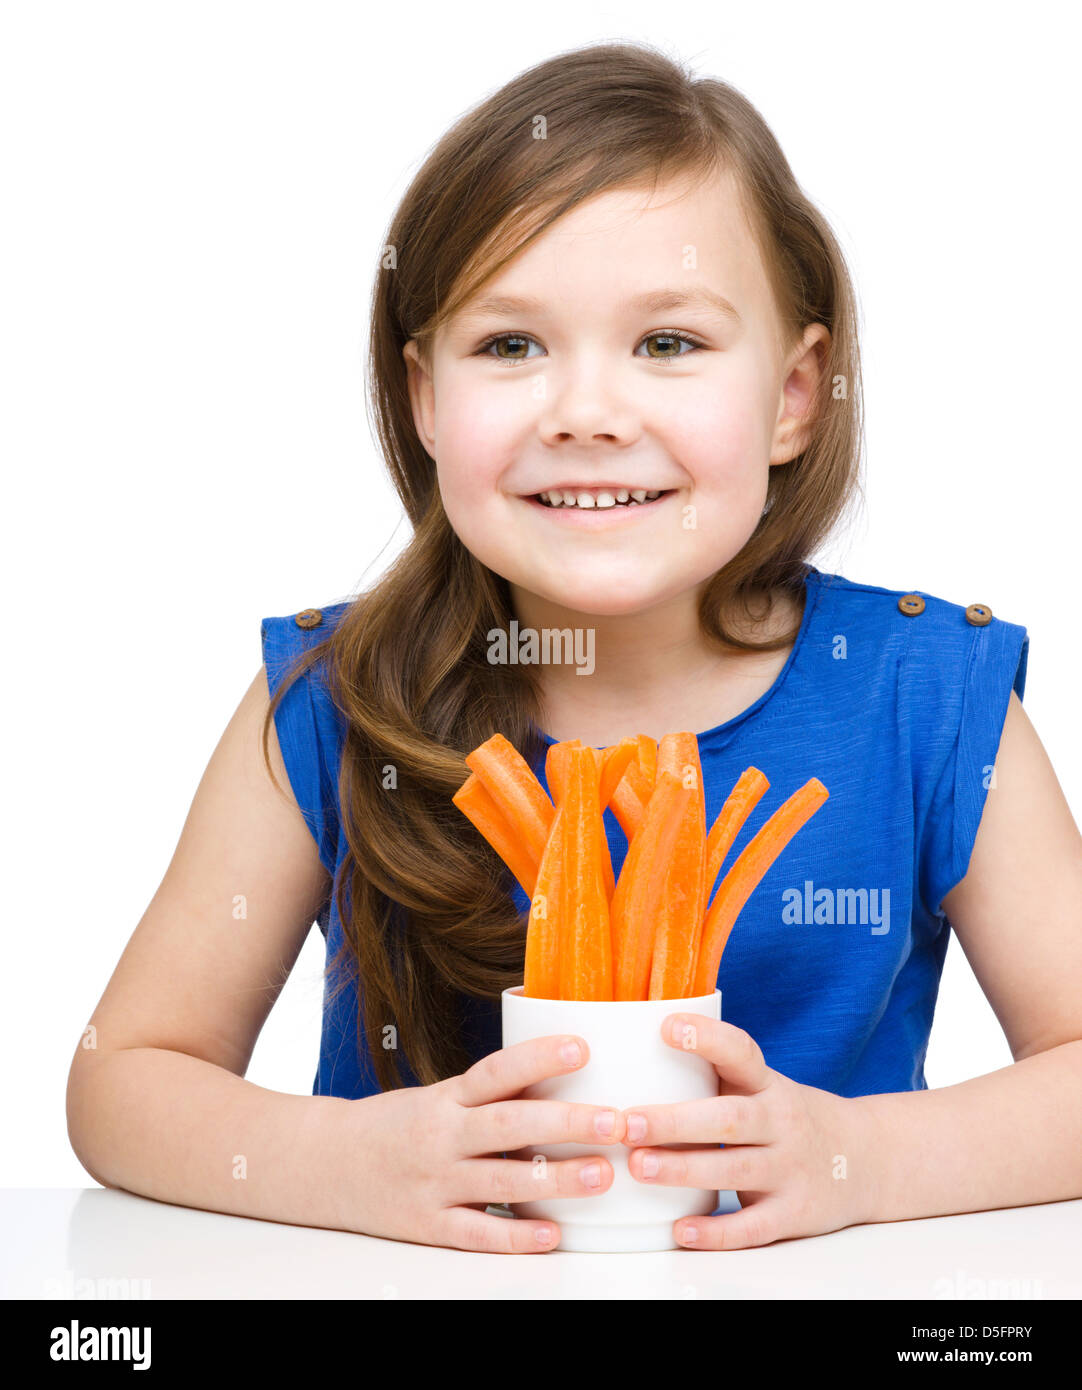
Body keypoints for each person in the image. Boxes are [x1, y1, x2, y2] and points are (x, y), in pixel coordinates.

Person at [67, 40, 1082, 1255]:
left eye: (667, 344)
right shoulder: (335, 700)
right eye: (508, 345)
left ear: (793, 396)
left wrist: (863, 1160)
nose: (587, 412)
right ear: (425, 399)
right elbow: (122, 1078)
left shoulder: (929, 697)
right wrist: (347, 1164)